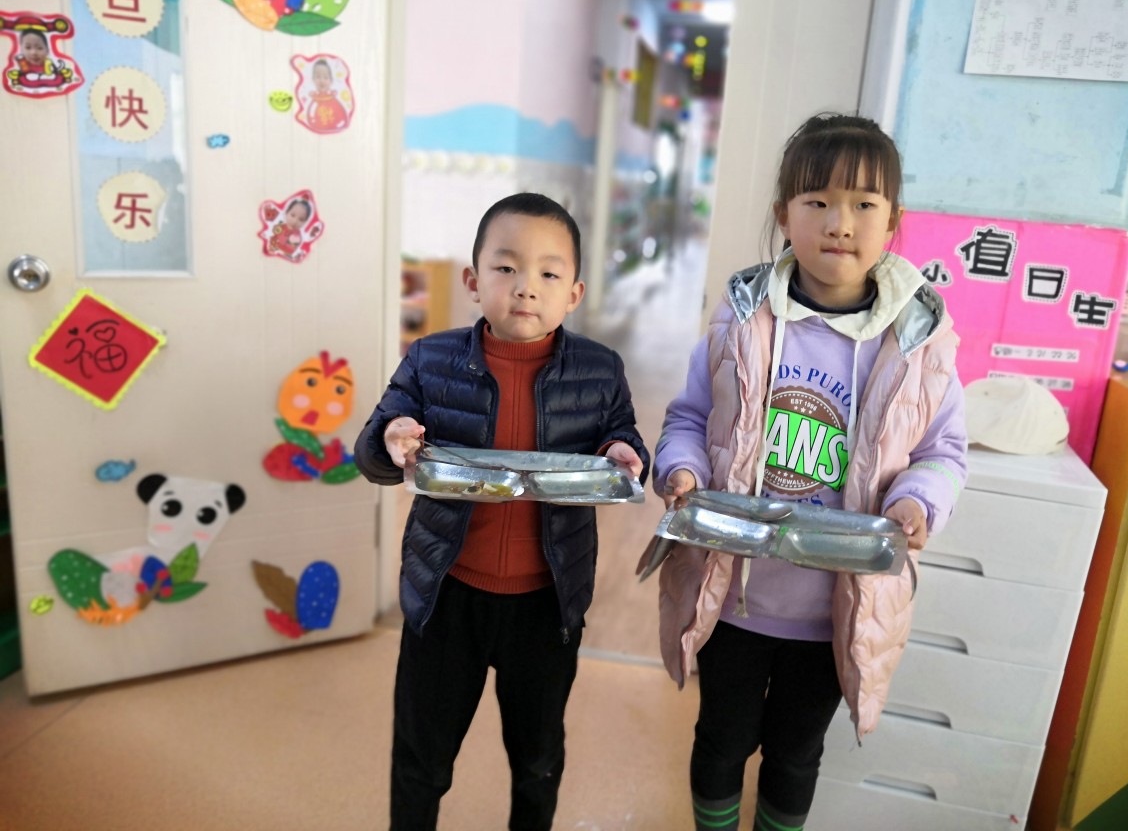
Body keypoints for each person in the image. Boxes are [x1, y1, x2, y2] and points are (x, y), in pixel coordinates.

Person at [643, 113, 968, 831]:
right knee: (721, 740)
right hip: (734, 595)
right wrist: (682, 470)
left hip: (836, 611)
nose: (839, 223)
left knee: (796, 754)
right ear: (783, 215)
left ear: (893, 221)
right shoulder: (740, 322)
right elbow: (689, 417)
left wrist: (918, 503)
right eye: (817, 201)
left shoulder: (919, 343)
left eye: (863, 204)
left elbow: (943, 453)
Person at [354, 192, 650, 831]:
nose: (525, 287)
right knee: (421, 760)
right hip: (445, 596)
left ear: (574, 293)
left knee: (537, 760)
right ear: (473, 280)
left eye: (548, 273)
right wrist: (392, 438)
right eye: (506, 267)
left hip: (547, 602)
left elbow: (621, 439)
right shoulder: (431, 359)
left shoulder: (600, 370)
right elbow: (374, 450)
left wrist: (624, 454)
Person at [305, 57, 349, 132]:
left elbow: (341, 117)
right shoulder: (314, 100)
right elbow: (311, 118)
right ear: (313, 79)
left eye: (326, 77)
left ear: (331, 80)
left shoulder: (333, 99)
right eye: (318, 77)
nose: (322, 81)